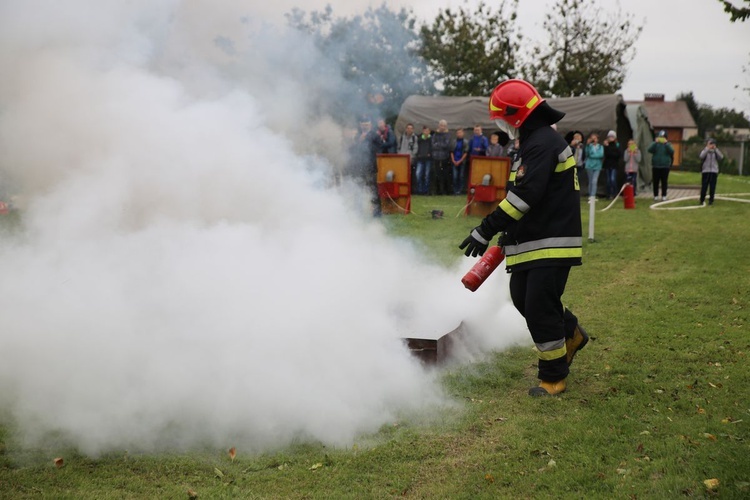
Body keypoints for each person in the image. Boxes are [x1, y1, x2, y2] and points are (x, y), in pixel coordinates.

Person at [459, 79, 587, 397]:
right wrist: (508, 234)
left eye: (503, 118)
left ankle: (553, 377)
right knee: (522, 298)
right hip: (533, 239)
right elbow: (527, 198)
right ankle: (570, 332)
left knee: (538, 305)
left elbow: (524, 197)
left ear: (517, 116)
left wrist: (485, 229)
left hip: (551, 241)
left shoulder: (542, 143)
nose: (502, 125)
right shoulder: (533, 142)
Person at [352, 115, 384, 216]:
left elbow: (380, 148)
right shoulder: (358, 136)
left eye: (366, 124)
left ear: (370, 125)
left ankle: (377, 211)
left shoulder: (375, 135)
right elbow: (355, 149)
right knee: (359, 187)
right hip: (360, 166)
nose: (364, 126)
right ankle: (359, 209)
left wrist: (369, 147)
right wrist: (360, 141)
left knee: (373, 188)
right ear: (360, 125)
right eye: (362, 125)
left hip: (371, 166)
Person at [648, 130, 674, 201]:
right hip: (656, 166)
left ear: (666, 138)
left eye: (663, 137)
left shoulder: (668, 144)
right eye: (660, 137)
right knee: (655, 181)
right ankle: (655, 195)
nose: (661, 138)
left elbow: (672, 151)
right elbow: (649, 150)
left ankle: (664, 195)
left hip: (665, 166)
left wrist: (666, 143)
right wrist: (655, 142)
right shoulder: (655, 144)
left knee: (664, 182)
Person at [699, 138, 724, 205]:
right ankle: (702, 199)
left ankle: (711, 200)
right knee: (704, 186)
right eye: (710, 144)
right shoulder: (705, 150)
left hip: (714, 171)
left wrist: (715, 149)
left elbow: (721, 157)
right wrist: (707, 148)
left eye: (713, 144)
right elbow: (701, 156)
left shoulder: (715, 151)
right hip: (706, 171)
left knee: (712, 186)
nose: (712, 145)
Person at [431, 120, 452, 195]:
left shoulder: (448, 135)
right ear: (438, 126)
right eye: (441, 125)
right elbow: (433, 145)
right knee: (436, 174)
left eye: (443, 125)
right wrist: (440, 145)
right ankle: (436, 191)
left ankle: (444, 191)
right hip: (436, 157)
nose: (442, 127)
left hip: (444, 157)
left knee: (444, 175)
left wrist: (438, 144)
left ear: (446, 126)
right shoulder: (435, 135)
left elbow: (447, 145)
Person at [584, 133, 604, 199]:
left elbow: (601, 155)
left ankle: (593, 196)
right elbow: (587, 154)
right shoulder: (589, 146)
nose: (594, 140)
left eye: (595, 138)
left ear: (597, 139)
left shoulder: (600, 147)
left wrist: (593, 155)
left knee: (594, 181)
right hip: (589, 165)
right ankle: (590, 195)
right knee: (590, 181)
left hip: (597, 166)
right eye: (592, 138)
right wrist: (587, 145)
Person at [398, 123, 417, 188]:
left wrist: (411, 157)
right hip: (402, 159)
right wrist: (399, 155)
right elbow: (399, 147)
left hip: (410, 160)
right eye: (408, 128)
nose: (409, 130)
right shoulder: (402, 137)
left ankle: (411, 189)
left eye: (411, 128)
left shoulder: (414, 138)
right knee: (403, 175)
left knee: (411, 175)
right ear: (406, 129)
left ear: (413, 130)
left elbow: (415, 149)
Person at [450, 128, 469, 195]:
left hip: (462, 161)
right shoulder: (454, 141)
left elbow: (466, 153)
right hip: (454, 160)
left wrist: (460, 160)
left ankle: (460, 190)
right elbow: (451, 151)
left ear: (463, 133)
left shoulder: (465, 142)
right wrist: (453, 160)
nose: (459, 134)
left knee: (461, 176)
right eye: (458, 133)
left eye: (460, 133)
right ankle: (455, 190)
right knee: (455, 176)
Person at [602, 130, 620, 199]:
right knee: (608, 180)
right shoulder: (606, 146)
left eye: (612, 136)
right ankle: (609, 194)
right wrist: (607, 147)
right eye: (610, 137)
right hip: (608, 165)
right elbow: (606, 154)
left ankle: (615, 193)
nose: (611, 138)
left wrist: (611, 153)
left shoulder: (617, 145)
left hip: (614, 165)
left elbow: (618, 155)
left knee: (613, 179)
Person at [415, 126, 432, 195]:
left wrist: (429, 153)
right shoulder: (419, 139)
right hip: (420, 159)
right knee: (418, 174)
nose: (426, 132)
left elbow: (432, 147)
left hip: (428, 159)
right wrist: (418, 154)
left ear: (429, 132)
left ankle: (426, 191)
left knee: (427, 175)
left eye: (427, 131)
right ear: (423, 131)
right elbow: (416, 147)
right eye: (425, 131)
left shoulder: (431, 139)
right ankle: (420, 190)